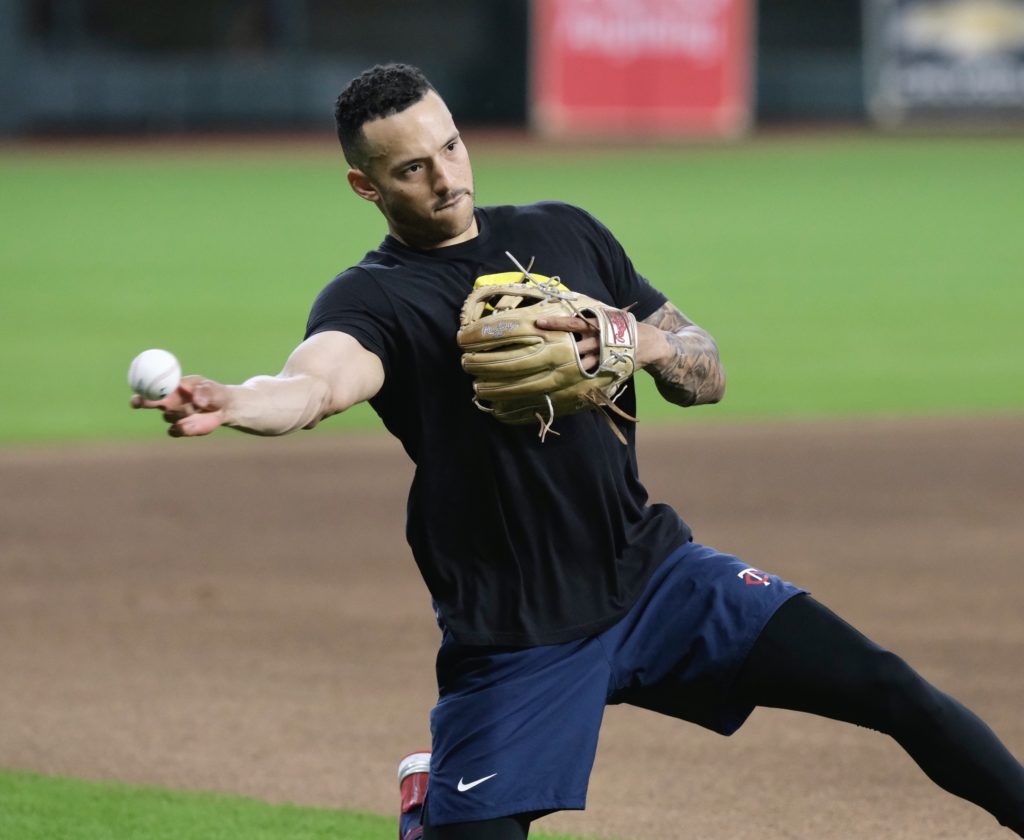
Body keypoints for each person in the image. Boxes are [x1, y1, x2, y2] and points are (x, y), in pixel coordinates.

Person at [133, 63, 1024, 840]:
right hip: (518, 633)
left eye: (450, 146)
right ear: (367, 187)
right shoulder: (375, 300)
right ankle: (431, 802)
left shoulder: (567, 233)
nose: (446, 177)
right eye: (412, 167)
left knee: (892, 689)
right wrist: (240, 400)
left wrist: (648, 344)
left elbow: (705, 369)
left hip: (657, 578)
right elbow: (317, 385)